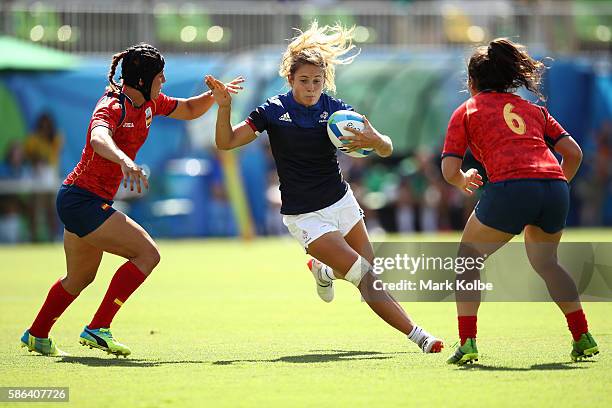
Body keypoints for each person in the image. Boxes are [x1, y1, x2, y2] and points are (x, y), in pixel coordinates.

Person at [206, 21, 443, 354]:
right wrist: (225, 107)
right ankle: (420, 336)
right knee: (363, 275)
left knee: (366, 270)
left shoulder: (335, 110)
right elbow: (226, 142)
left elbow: (386, 147)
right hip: (305, 216)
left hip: (341, 201)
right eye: (304, 81)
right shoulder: (272, 111)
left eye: (317, 81)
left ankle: (324, 270)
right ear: (290, 79)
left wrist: (377, 141)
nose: (311, 88)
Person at [20, 43, 244, 357]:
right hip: (81, 200)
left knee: (79, 278)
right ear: (142, 80)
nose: (163, 82)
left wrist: (216, 97)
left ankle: (37, 334)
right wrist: (125, 160)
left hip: (80, 201)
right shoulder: (113, 104)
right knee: (147, 254)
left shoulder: (151, 103)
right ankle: (98, 328)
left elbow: (190, 109)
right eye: (160, 77)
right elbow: (99, 137)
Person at [441, 38, 598, 364]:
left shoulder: (467, 110)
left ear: (471, 82)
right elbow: (574, 154)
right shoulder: (534, 109)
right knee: (547, 263)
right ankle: (582, 336)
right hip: (554, 189)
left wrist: (462, 179)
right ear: (510, 78)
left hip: (511, 187)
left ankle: (467, 342)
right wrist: (553, 184)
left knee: (467, 261)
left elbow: (448, 169)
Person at [23, 112, 63, 241]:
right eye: (43, 124)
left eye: (47, 124)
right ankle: (33, 236)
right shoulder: (33, 138)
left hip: (50, 175)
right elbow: (28, 156)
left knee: (51, 208)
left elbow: (53, 154)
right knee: (35, 208)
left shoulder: (56, 138)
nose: (45, 127)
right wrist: (37, 158)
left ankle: (53, 235)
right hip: (36, 175)